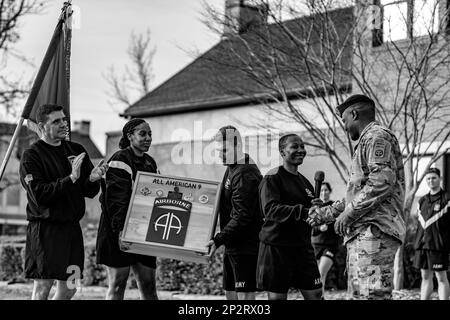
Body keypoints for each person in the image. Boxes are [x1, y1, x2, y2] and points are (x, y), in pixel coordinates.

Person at [307, 94, 406, 300]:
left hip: (374, 232)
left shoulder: (376, 137)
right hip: (364, 234)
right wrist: (324, 214)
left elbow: (381, 183)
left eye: (344, 120)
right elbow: (356, 194)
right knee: (360, 297)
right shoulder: (365, 142)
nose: (344, 126)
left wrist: (348, 215)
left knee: (371, 297)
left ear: (354, 114)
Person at [19, 104, 108, 300]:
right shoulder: (31, 156)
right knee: (43, 288)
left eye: (64, 120)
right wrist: (71, 178)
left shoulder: (76, 150)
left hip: (72, 230)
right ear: (42, 126)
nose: (63, 124)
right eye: (56, 121)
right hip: (45, 231)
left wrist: (93, 179)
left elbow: (88, 191)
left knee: (70, 289)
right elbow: (39, 195)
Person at [96, 118, 159, 300]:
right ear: (130, 136)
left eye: (150, 134)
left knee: (148, 286)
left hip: (143, 231)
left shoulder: (151, 163)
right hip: (117, 230)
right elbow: (116, 202)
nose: (148, 138)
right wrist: (122, 231)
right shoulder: (119, 159)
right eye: (143, 134)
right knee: (117, 285)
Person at [257, 133, 323, 300]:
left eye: (302, 146)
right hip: (277, 247)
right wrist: (305, 211)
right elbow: (270, 210)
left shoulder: (306, 183)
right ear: (282, 152)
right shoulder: (273, 177)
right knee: (278, 298)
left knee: (316, 295)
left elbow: (309, 218)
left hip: (302, 248)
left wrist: (316, 212)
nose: (300, 150)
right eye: (294, 146)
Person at [207, 125, 263, 300]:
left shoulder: (245, 172)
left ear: (238, 146)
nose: (220, 155)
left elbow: (242, 216)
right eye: (218, 151)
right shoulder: (232, 166)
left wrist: (217, 240)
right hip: (233, 246)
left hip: (245, 247)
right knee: (230, 295)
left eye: (224, 150)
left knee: (244, 300)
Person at [413, 167, 450, 300]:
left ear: (439, 179)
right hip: (422, 245)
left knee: (441, 277)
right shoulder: (422, 201)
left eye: (434, 178)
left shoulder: (447, 198)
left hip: (438, 246)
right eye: (428, 178)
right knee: (425, 276)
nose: (431, 181)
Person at [311, 182, 341, 292]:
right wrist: (319, 228)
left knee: (321, 273)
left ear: (330, 191)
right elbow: (312, 230)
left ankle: (319, 296)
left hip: (329, 247)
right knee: (317, 277)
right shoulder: (315, 208)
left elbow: (339, 227)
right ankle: (320, 296)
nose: (324, 193)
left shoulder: (334, 207)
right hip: (316, 246)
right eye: (322, 190)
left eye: (326, 190)